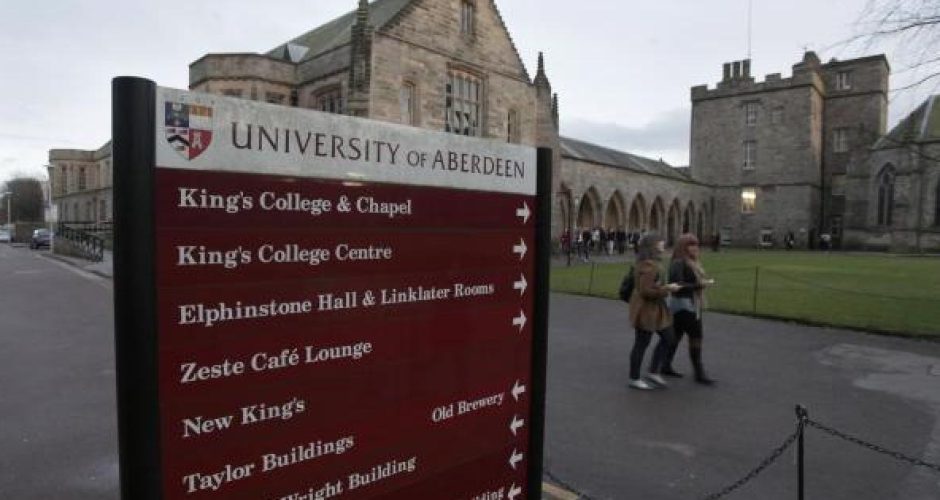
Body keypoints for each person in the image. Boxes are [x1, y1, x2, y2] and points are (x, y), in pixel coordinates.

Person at [628, 233, 680, 390]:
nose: (663, 244)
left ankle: (653, 370)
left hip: (657, 309)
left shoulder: (653, 263)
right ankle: (634, 378)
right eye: (660, 242)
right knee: (642, 343)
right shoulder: (648, 265)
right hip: (646, 310)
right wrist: (668, 289)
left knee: (669, 337)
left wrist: (665, 287)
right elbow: (646, 291)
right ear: (652, 246)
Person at [662, 234, 715, 385]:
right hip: (684, 306)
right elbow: (676, 285)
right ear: (683, 247)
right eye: (691, 245)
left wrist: (700, 283)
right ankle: (699, 372)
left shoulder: (691, 262)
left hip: (688, 304)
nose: (695, 248)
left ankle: (665, 365)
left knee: (675, 337)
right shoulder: (679, 262)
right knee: (696, 335)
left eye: (696, 245)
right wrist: (700, 285)